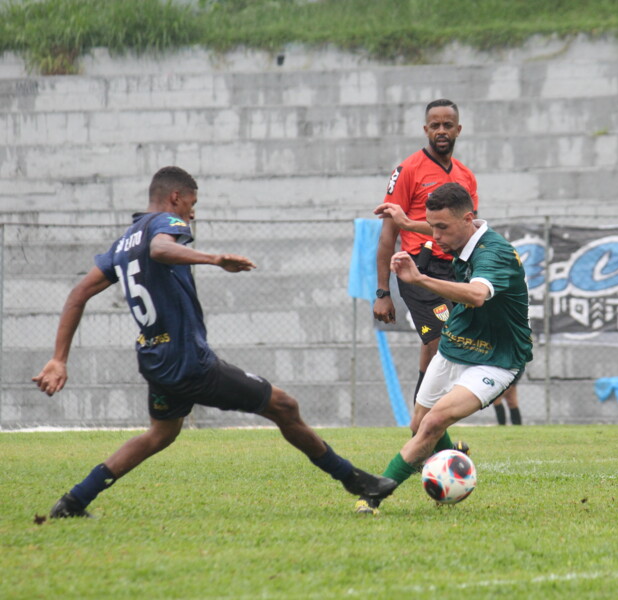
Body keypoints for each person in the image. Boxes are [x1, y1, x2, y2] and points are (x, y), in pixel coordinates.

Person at [33, 166, 396, 518]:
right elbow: (161, 249)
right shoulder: (165, 223)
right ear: (176, 198)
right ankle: (355, 480)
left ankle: (74, 500)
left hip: (156, 358)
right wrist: (214, 258)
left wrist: (58, 358)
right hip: (188, 362)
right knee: (284, 406)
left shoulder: (124, 241)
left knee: (160, 434)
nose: (192, 214)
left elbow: (78, 293)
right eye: (192, 204)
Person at [356, 183, 533, 514]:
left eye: (441, 228)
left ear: (468, 219)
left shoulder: (493, 253)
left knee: (434, 422)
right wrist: (408, 224)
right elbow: (443, 226)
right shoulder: (462, 235)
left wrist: (419, 279)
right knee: (418, 425)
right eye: (432, 226)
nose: (435, 236)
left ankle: (374, 493)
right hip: (455, 345)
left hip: (496, 358)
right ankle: (455, 458)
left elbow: (478, 294)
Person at [372, 100, 477, 441]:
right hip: (418, 268)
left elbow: (468, 228)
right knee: (442, 341)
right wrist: (382, 292)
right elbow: (389, 233)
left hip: (453, 272)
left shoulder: (465, 176)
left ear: (458, 129)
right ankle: (430, 436)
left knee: (437, 347)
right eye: (435, 125)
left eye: (448, 125)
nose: (441, 131)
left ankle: (422, 428)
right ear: (425, 129)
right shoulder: (409, 170)